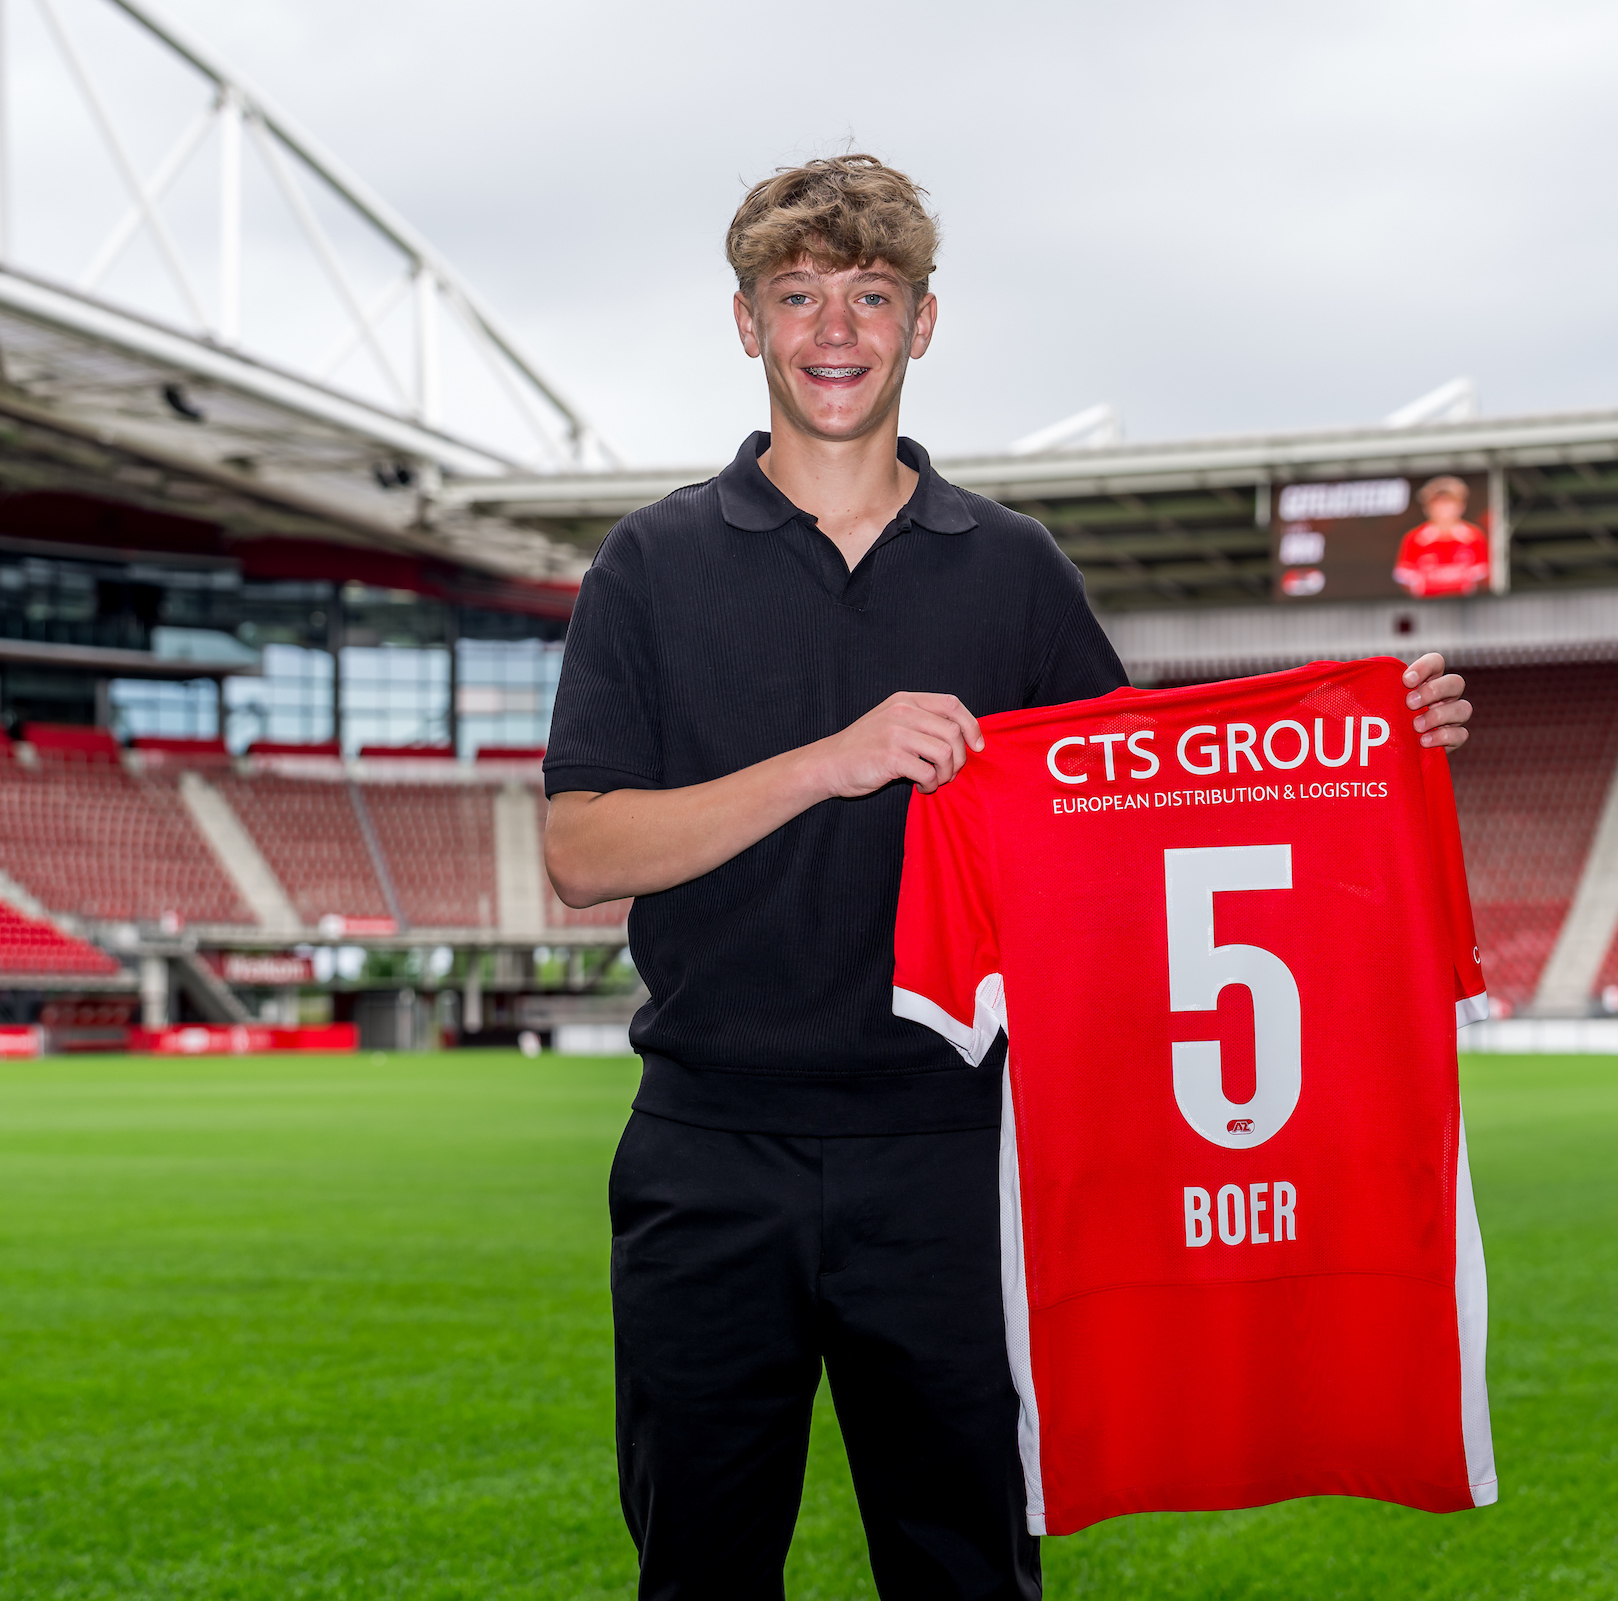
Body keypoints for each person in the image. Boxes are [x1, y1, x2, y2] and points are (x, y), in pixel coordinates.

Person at [541, 154, 1474, 1600]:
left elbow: (1151, 810)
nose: (835, 329)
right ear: (746, 323)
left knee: (971, 1573)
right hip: (709, 1153)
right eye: (798, 294)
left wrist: (1367, 739)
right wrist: (828, 760)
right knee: (699, 1576)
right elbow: (581, 849)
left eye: (871, 295)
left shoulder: (1015, 568)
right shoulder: (650, 563)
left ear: (923, 322)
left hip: (959, 1164)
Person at [1392, 475, 1493, 598]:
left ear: (1461, 505)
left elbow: (1483, 578)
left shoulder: (1474, 536)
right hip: (1427, 605)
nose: (1443, 508)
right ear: (1427, 507)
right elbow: (1404, 578)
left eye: (1449, 502)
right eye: (1437, 503)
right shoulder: (1414, 538)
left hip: (1465, 606)